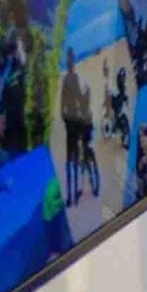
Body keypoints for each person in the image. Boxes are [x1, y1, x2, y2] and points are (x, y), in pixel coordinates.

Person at [60, 48, 87, 205]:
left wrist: (65, 119)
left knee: (69, 160)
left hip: (70, 123)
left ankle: (71, 196)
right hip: (75, 121)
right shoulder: (74, 78)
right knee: (76, 158)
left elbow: (62, 104)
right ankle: (75, 193)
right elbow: (78, 98)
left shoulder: (65, 79)